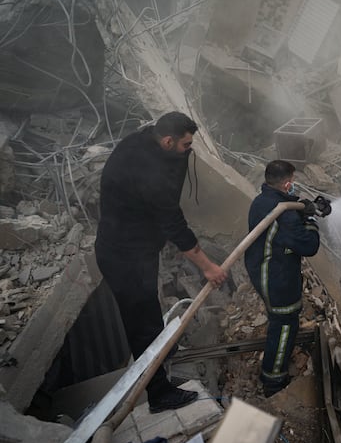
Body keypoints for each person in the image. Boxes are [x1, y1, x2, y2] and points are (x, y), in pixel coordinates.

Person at [95, 111, 227, 413]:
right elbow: (174, 225)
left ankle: (162, 356)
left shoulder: (144, 141)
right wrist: (208, 267)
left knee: (150, 313)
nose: (189, 151)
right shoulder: (150, 175)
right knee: (141, 325)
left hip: (134, 249)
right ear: (168, 141)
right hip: (123, 258)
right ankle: (158, 394)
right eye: (185, 145)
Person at [244, 160, 320, 397]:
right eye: (293, 181)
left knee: (280, 320)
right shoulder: (282, 214)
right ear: (287, 183)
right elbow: (309, 245)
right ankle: (274, 380)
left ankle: (274, 371)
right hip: (277, 276)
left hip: (264, 269)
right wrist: (311, 221)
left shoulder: (263, 200)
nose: (294, 185)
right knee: (285, 323)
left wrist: (302, 207)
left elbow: (284, 214)